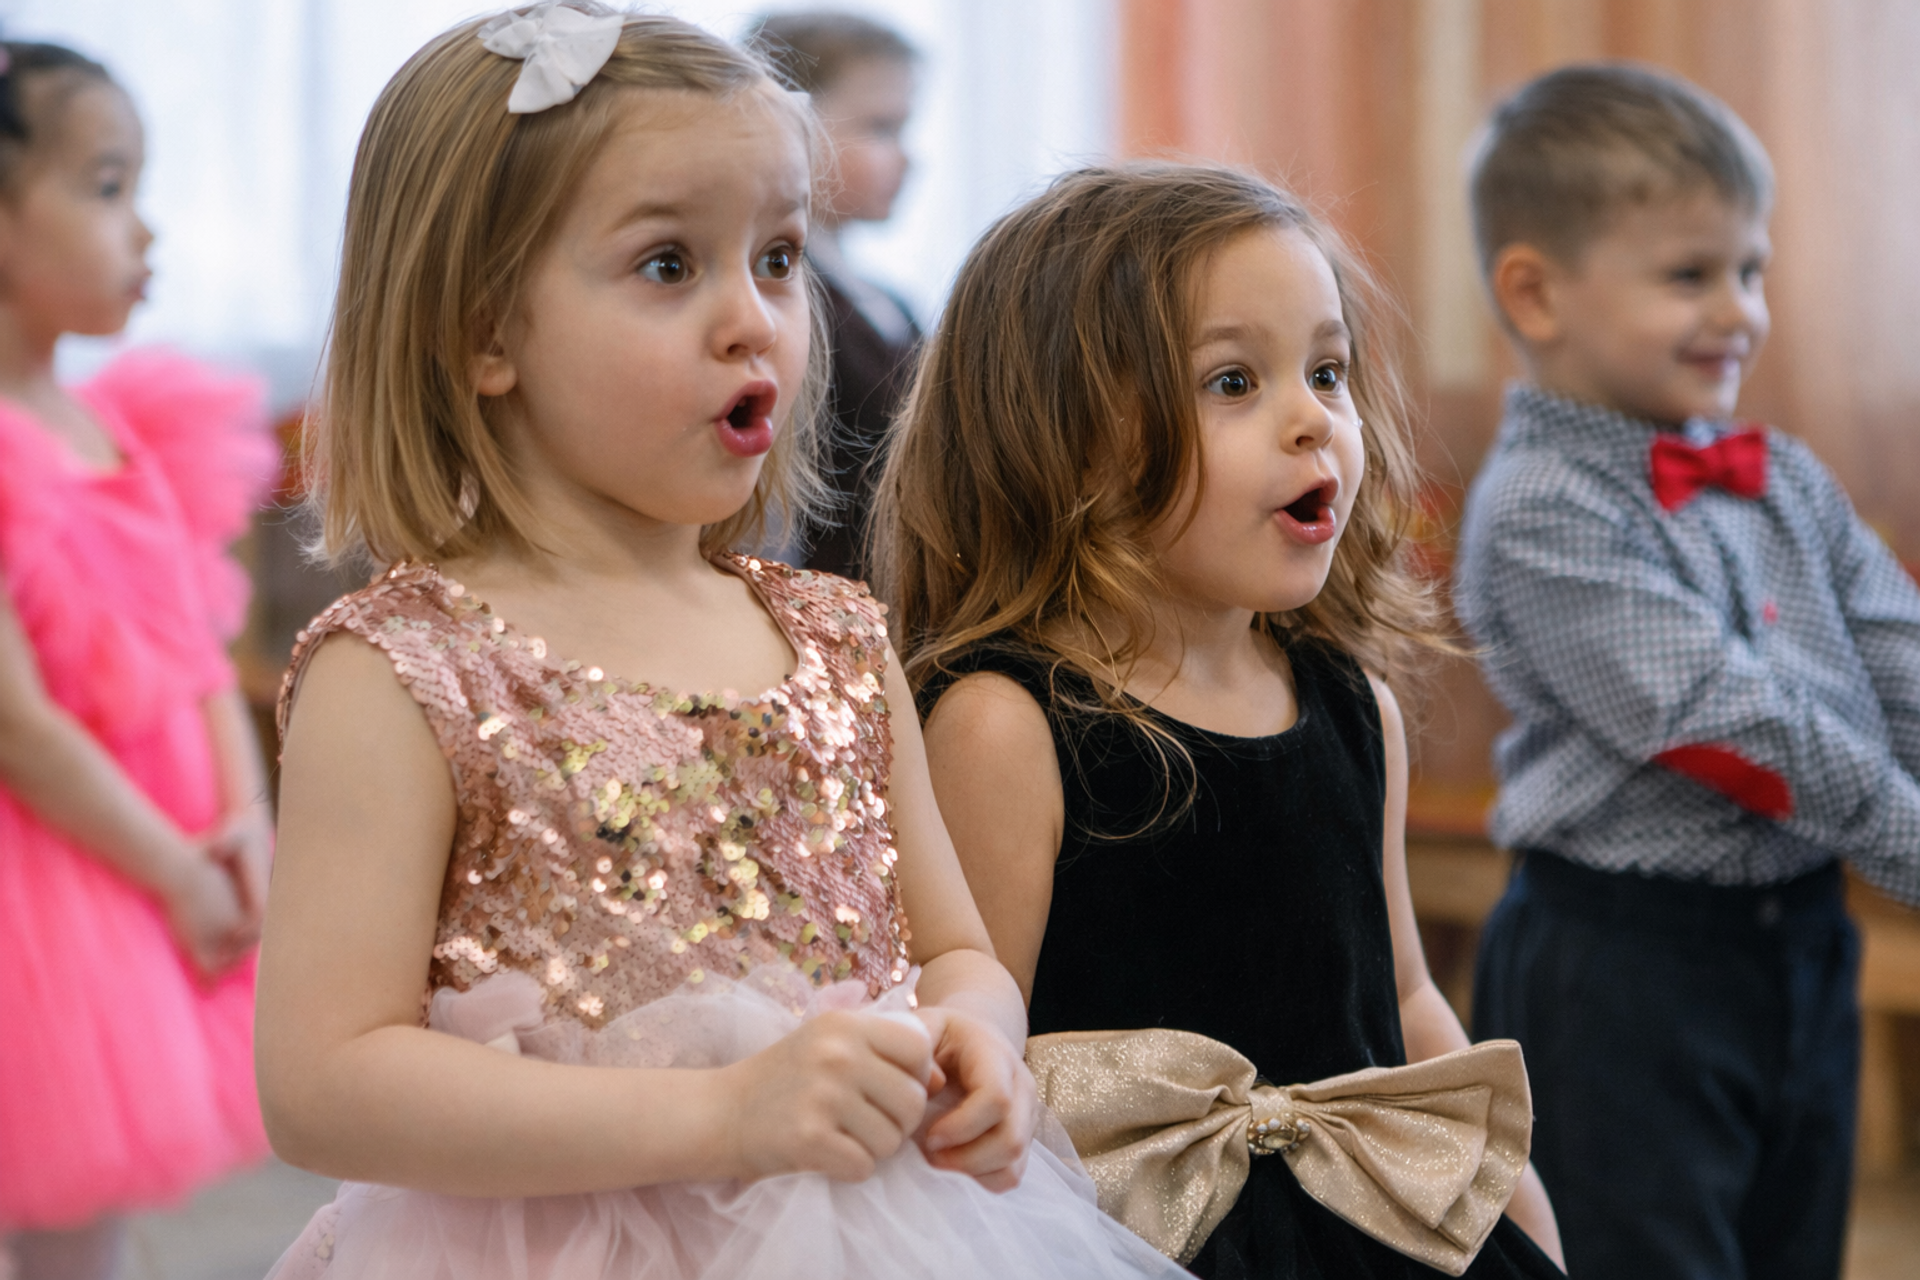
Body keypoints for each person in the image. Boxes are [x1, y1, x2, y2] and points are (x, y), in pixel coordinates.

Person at [255, 9, 1185, 1279]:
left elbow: (956, 946)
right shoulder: (405, 670)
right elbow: (323, 1082)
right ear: (482, 329)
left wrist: (972, 1036)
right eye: (667, 265)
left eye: (782, 257)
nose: (755, 320)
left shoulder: (838, 640)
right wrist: (722, 1113)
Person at [883, 163, 1567, 1278]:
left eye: (1329, 370)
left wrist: (1507, 1186)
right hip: (1132, 1236)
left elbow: (1397, 990)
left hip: (1372, 1221)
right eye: (1236, 381)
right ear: (1066, 438)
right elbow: (977, 1037)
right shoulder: (1005, 724)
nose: (1314, 420)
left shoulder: (1355, 707)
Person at [1452, 63, 1920, 1280]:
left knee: (1792, 1242)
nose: (1739, 310)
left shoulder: (1786, 475)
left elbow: (1898, 654)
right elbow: (1725, 724)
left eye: (1750, 269)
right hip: (1626, 963)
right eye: (1689, 275)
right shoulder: (1542, 509)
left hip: (1801, 940)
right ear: (1537, 292)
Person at [0, 39, 275, 1280]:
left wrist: (244, 821)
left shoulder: (118, 429)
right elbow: (17, 725)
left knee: (80, 1220)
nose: (145, 230)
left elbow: (204, 654)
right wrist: (172, 866)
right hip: (53, 877)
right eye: (107, 187)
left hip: (151, 863)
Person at [749, 11, 919, 580]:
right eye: (879, 128)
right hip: (828, 593)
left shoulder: (889, 302)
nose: (908, 158)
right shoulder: (782, 302)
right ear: (791, 124)